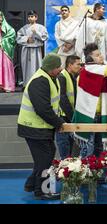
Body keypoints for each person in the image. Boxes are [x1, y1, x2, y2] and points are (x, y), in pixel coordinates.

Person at [17, 54, 65, 200]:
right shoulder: (40, 81)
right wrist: (59, 123)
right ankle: (42, 191)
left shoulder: (49, 78)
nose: (60, 69)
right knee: (45, 158)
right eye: (58, 67)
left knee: (45, 156)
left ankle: (31, 184)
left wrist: (58, 120)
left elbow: (52, 104)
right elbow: (43, 109)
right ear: (51, 69)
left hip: (40, 127)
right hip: (33, 128)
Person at [56, 55, 81, 159]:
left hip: (68, 117)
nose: (80, 66)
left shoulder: (72, 76)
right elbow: (62, 99)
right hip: (63, 117)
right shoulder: (62, 77)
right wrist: (72, 117)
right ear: (70, 65)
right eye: (78, 64)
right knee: (64, 149)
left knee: (71, 149)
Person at [16, 10, 49, 86]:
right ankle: (26, 84)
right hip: (26, 50)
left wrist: (36, 32)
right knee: (26, 68)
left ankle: (36, 84)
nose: (30, 18)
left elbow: (45, 37)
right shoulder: (24, 28)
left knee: (36, 67)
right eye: (29, 17)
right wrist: (27, 39)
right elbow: (18, 38)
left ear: (36, 17)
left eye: (32, 16)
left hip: (36, 50)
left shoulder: (41, 27)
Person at [0, 11, 16, 92]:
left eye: (0, 16)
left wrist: (2, 42)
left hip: (4, 51)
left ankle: (6, 86)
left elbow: (12, 37)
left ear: (2, 17)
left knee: (5, 66)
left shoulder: (9, 28)